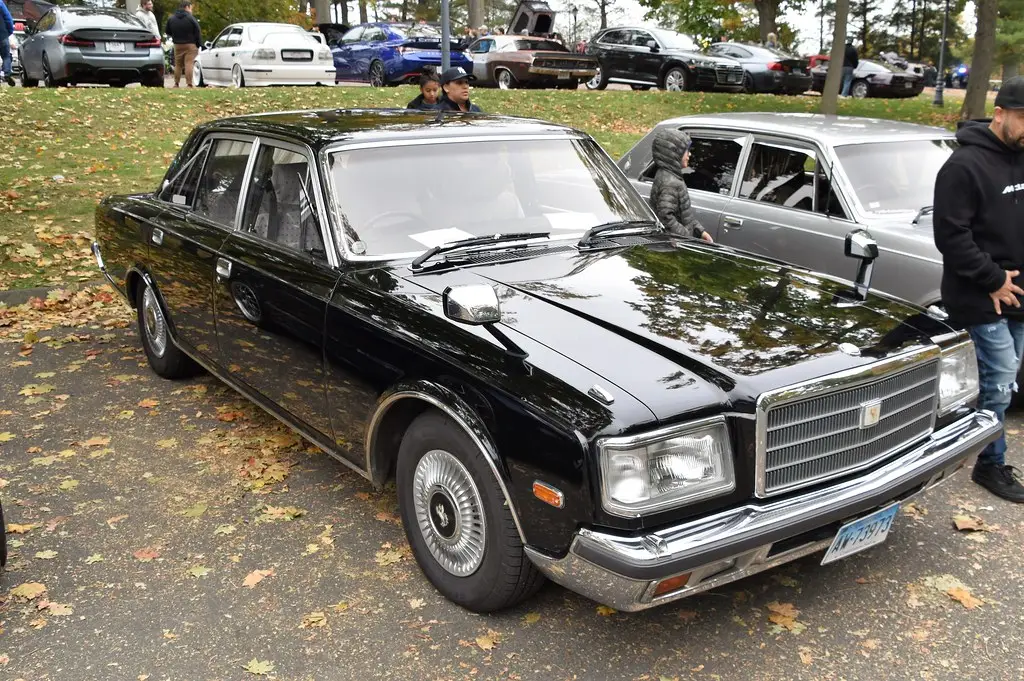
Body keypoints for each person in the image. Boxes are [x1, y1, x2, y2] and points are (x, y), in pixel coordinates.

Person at [933, 75, 1024, 503]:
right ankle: (988, 463)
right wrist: (993, 279)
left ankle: (970, 445)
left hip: (1018, 295)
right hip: (979, 294)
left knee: (1005, 380)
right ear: (1000, 113)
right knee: (999, 380)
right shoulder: (963, 166)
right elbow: (951, 237)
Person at [649, 129, 713, 243]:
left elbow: (684, 215)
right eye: (686, 151)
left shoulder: (670, 176)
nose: (689, 154)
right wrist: (687, 238)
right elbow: (666, 218)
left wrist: (700, 231)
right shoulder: (670, 183)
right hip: (675, 245)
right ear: (675, 153)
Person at [166, 0, 201, 88]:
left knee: (178, 64)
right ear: (187, 7)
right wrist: (199, 43)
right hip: (190, 44)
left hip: (177, 44)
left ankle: (176, 83)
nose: (191, 10)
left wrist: (175, 36)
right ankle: (189, 84)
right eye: (191, 8)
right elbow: (197, 30)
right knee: (189, 63)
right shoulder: (191, 18)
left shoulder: (171, 18)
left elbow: (167, 31)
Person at [0, 0, 14, 87]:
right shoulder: (0, 3)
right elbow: (8, 18)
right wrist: (9, 31)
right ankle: (7, 74)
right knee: (6, 56)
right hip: (2, 34)